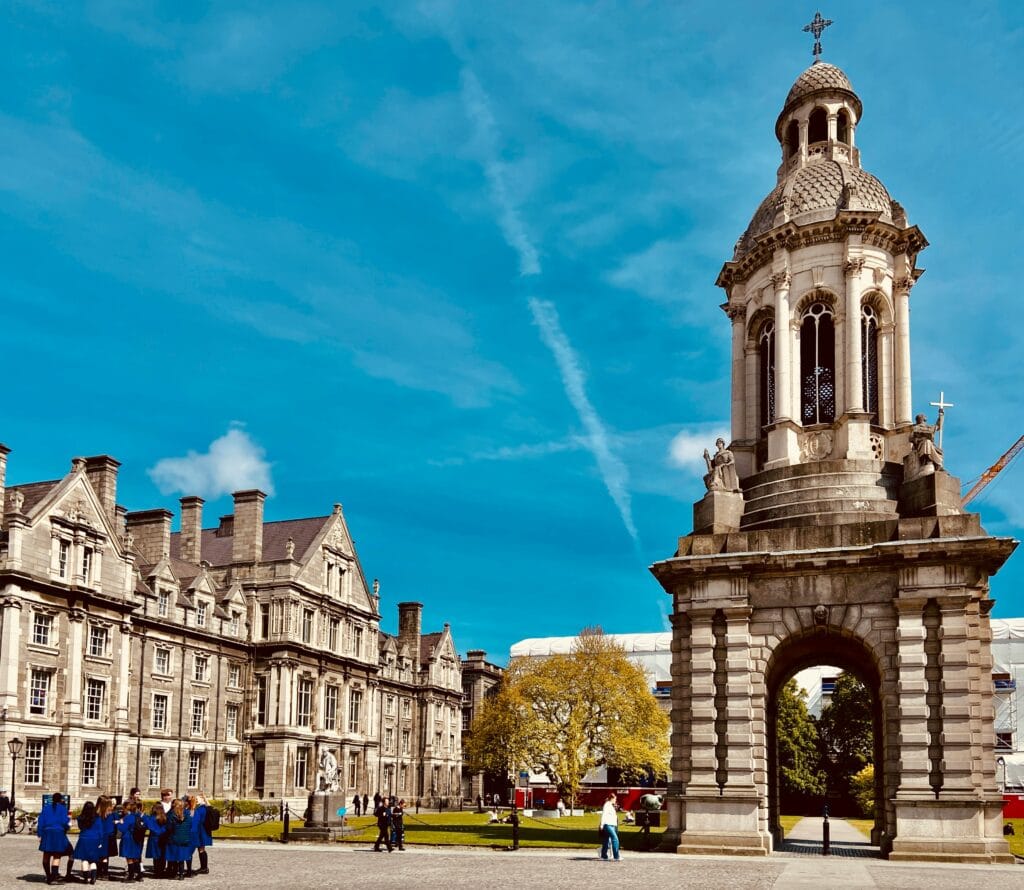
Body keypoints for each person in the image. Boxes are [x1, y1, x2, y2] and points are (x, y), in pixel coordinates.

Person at [37, 792, 71, 885]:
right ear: (60, 800)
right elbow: (65, 821)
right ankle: (53, 877)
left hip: (47, 832)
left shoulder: (46, 808)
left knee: (46, 855)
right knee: (57, 855)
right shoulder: (63, 809)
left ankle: (48, 876)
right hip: (58, 832)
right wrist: (67, 828)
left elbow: (41, 821)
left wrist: (39, 834)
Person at [73, 800, 105, 884]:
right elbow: (100, 830)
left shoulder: (80, 817)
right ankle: (93, 878)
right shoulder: (97, 817)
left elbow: (80, 828)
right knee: (93, 860)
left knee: (84, 859)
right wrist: (101, 841)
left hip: (84, 838)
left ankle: (85, 879)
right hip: (95, 839)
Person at [165, 798, 193, 880]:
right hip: (185, 838)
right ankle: (181, 874)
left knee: (174, 856)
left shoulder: (171, 815)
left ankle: (174, 873)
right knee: (182, 857)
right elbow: (190, 825)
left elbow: (169, 827)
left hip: (174, 838)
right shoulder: (188, 814)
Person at [117, 799, 145, 883]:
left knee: (129, 858)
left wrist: (119, 823)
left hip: (128, 838)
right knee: (136, 858)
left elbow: (122, 829)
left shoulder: (127, 817)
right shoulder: (138, 816)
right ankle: (139, 875)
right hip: (137, 838)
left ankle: (131, 876)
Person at [141, 803, 168, 878]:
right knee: (162, 856)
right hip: (163, 837)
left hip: (154, 838)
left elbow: (149, 826)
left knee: (156, 857)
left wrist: (144, 817)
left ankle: (157, 872)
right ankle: (162, 871)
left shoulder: (152, 818)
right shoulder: (165, 817)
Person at [190, 792, 213, 875]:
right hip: (204, 830)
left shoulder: (200, 809)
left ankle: (204, 867)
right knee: (201, 849)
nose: (195, 800)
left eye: (197, 799)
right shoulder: (206, 808)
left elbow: (194, 820)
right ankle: (204, 867)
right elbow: (210, 806)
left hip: (200, 831)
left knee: (201, 849)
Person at [96, 795, 117, 880]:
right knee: (105, 856)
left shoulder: (96, 813)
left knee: (99, 855)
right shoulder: (111, 813)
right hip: (107, 835)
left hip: (98, 835)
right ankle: (104, 873)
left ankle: (98, 872)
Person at [599, 792, 620, 862]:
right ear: (612, 798)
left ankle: (604, 855)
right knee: (615, 839)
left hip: (612, 825)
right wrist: (602, 825)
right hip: (607, 824)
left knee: (606, 840)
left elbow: (613, 816)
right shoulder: (607, 805)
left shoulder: (611, 805)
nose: (615, 801)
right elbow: (604, 815)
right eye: (615, 799)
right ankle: (616, 856)